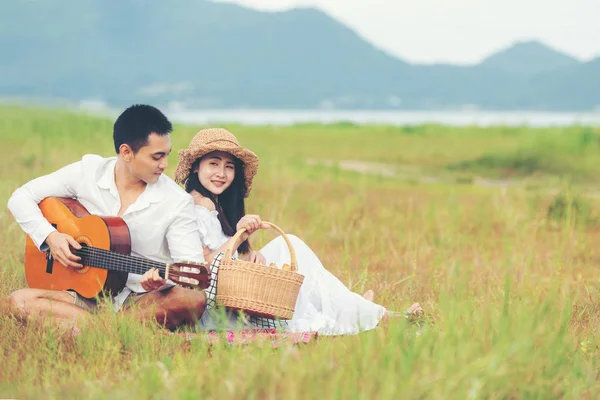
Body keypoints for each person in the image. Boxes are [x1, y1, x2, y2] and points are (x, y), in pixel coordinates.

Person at [174, 128, 402, 335]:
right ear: (196, 166)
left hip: (233, 295)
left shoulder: (213, 204)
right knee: (290, 248)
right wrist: (240, 236)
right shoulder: (197, 207)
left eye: (229, 166)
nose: (221, 173)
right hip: (218, 310)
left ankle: (354, 307)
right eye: (213, 163)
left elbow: (225, 259)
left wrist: (245, 259)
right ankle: (367, 312)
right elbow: (201, 269)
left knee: (291, 255)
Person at [6, 104, 207, 332]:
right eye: (156, 157)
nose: (164, 165)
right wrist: (51, 236)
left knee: (191, 299)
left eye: (166, 155)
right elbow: (21, 197)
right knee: (18, 301)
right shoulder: (88, 171)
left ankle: (95, 329)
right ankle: (118, 331)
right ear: (126, 152)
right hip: (81, 294)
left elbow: (192, 270)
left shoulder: (177, 201)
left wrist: (162, 282)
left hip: (138, 301)